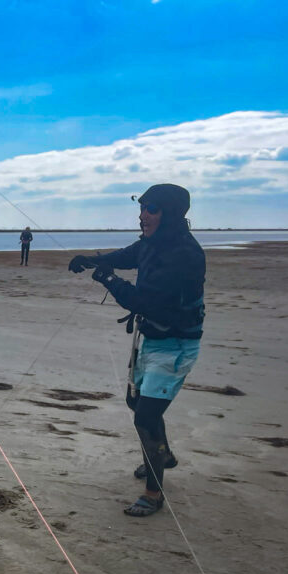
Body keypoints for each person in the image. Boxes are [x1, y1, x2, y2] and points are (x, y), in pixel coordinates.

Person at [69, 184, 205, 517]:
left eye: (151, 209)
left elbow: (148, 303)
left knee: (146, 415)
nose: (143, 215)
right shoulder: (152, 243)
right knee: (136, 401)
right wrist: (92, 260)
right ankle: (163, 455)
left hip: (176, 344)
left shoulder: (184, 254)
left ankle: (153, 494)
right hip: (152, 338)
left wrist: (110, 281)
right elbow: (130, 255)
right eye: (141, 207)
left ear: (170, 214)